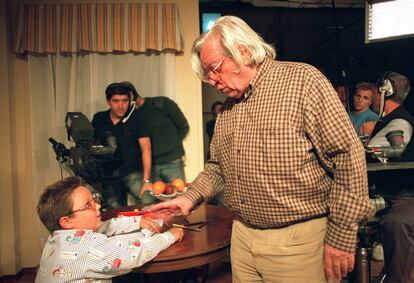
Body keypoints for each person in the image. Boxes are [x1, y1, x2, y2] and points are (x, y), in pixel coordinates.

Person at [151, 16, 374, 283]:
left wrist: (341, 236)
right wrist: (188, 198)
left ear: (243, 52)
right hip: (243, 236)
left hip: (297, 241)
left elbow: (348, 157)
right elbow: (217, 167)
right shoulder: (230, 106)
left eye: (215, 68)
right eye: (206, 73)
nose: (211, 79)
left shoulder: (302, 82)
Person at [35, 176, 184, 282]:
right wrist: (170, 235)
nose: (98, 206)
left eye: (94, 200)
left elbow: (107, 226)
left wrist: (138, 221)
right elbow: (134, 254)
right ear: (67, 221)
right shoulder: (87, 246)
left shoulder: (57, 239)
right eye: (88, 205)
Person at [365, 71, 414, 283]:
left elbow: (385, 149)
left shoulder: (400, 122)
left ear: (386, 91)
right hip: (384, 192)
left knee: (397, 223)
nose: (375, 98)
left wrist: (366, 144)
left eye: (376, 93)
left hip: (401, 196)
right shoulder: (386, 121)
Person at [120, 82, 189, 197]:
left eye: (124, 99)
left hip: (171, 162)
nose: (121, 105)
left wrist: (171, 146)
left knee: (179, 198)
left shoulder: (161, 103)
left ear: (132, 96)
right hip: (148, 167)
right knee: (154, 203)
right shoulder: (129, 116)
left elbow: (183, 126)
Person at [92, 82, 152, 208]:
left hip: (133, 172)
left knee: (149, 204)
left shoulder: (138, 118)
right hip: (109, 175)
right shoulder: (99, 119)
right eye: (116, 101)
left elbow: (146, 149)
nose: (120, 106)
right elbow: (92, 147)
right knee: (115, 215)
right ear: (108, 102)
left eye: (125, 101)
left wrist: (146, 181)